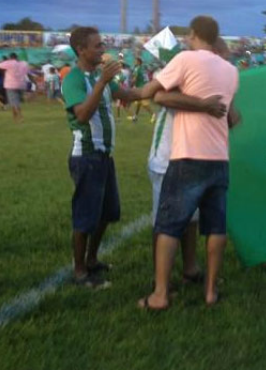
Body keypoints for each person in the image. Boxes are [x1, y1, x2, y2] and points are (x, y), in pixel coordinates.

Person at [61, 26, 224, 288]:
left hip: (104, 156)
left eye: (102, 44)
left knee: (108, 213)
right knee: (86, 216)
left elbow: (132, 94)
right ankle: (80, 271)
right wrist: (103, 82)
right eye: (97, 45)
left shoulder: (103, 79)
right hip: (87, 155)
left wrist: (159, 86)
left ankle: (92, 259)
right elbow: (81, 115)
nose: (103, 49)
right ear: (81, 49)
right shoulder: (75, 78)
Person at [136, 15, 239, 309]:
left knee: (168, 225)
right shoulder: (232, 71)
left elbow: (158, 95)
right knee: (216, 227)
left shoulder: (185, 59)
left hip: (188, 155)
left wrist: (126, 91)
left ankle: (160, 295)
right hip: (219, 158)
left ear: (193, 34)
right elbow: (231, 115)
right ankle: (209, 292)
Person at [0, 53, 30, 123]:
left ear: (10, 58)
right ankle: (15, 118)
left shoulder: (9, 63)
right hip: (21, 85)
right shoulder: (23, 64)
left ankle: (20, 116)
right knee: (15, 102)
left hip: (10, 85)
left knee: (14, 102)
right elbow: (26, 71)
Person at [130, 58, 156, 123]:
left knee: (144, 103)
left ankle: (153, 114)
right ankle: (135, 116)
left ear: (138, 62)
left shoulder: (137, 68)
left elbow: (134, 79)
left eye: (135, 61)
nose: (134, 62)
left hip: (141, 87)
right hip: (145, 85)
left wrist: (131, 84)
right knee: (138, 103)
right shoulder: (143, 69)